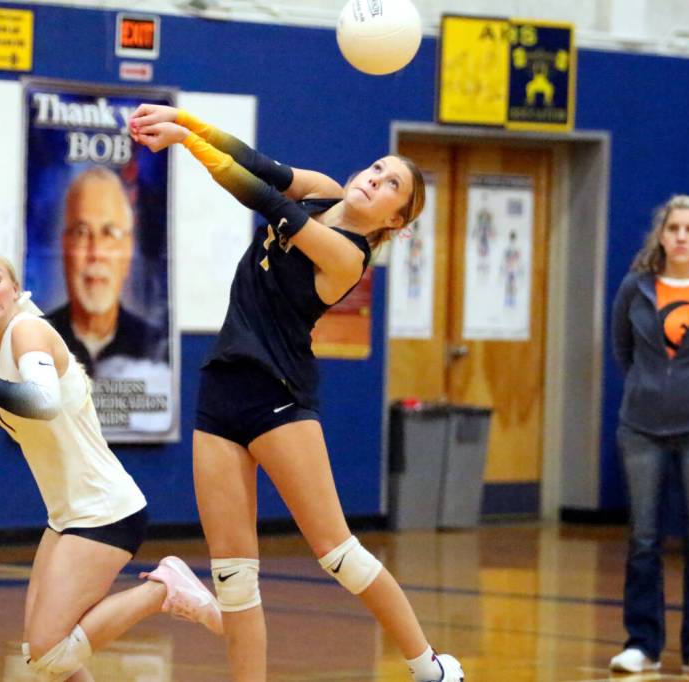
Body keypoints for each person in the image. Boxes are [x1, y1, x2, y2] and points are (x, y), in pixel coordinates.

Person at [129, 104, 464, 682]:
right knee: (233, 576)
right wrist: (189, 121)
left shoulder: (347, 256)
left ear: (396, 221)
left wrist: (186, 141)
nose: (374, 180)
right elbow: (256, 165)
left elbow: (266, 201)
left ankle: (427, 666)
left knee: (337, 553)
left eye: (391, 187)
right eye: (377, 168)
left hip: (278, 394)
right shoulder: (327, 190)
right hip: (222, 386)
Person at [0, 250, 220, 681]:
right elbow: (22, 407)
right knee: (46, 657)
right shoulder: (0, 348)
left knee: (50, 653)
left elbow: (42, 402)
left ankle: (163, 588)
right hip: (67, 517)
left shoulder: (27, 332)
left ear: (16, 289)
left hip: (103, 512)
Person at [609, 195, 689, 677]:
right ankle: (642, 644)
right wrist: (653, 389)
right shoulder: (635, 289)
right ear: (661, 235)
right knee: (644, 538)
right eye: (673, 228)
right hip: (642, 428)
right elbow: (624, 351)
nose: (681, 236)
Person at [43, 166, 168, 377]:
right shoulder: (34, 338)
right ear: (64, 247)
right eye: (82, 233)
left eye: (109, 234)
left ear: (128, 250)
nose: (96, 252)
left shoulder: (158, 349)